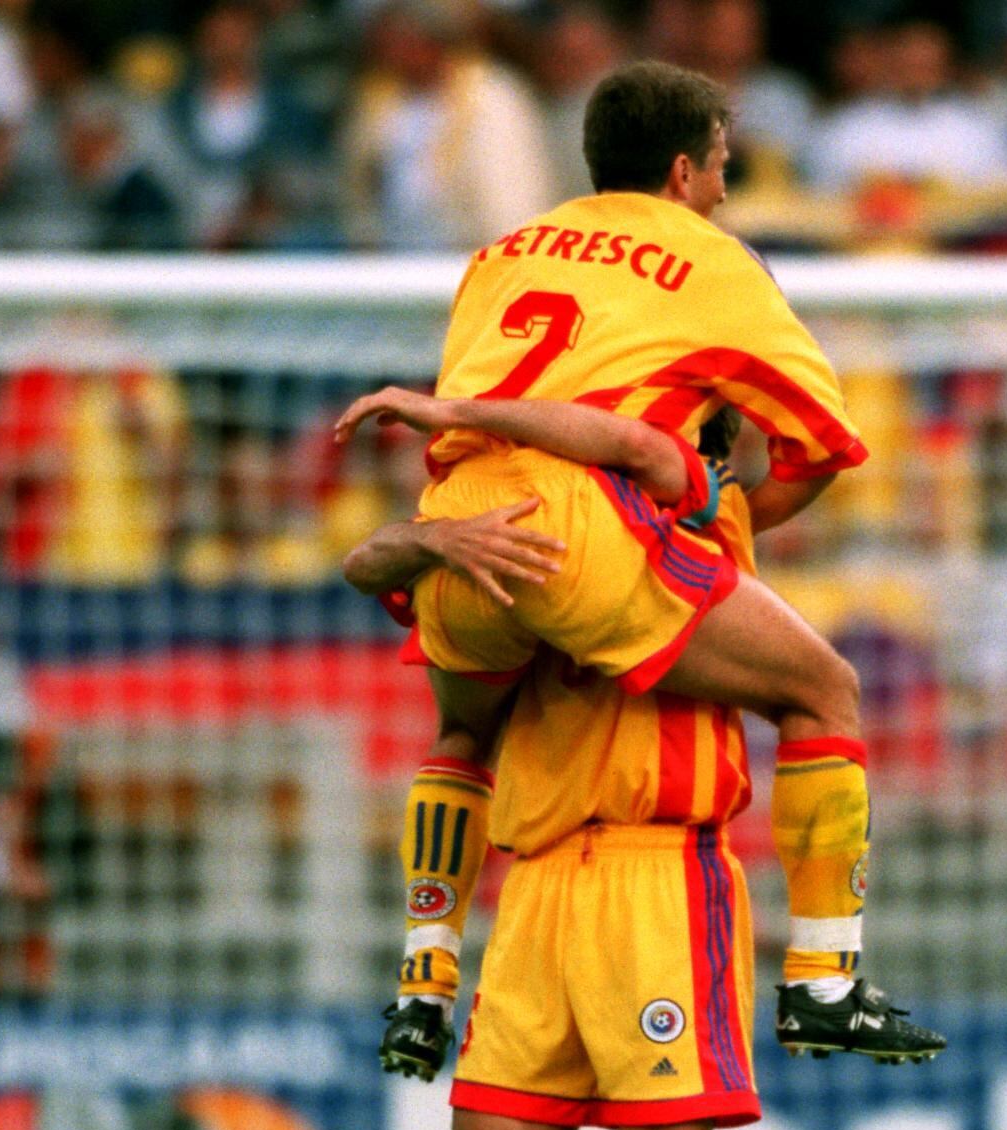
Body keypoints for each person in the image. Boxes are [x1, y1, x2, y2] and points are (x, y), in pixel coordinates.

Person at [380, 59, 941, 1074]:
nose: (725, 189)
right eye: (724, 167)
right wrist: (725, 542)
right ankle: (825, 979)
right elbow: (824, 444)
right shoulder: (715, 259)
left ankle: (422, 985)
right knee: (825, 689)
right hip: (582, 533)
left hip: (457, 532)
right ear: (686, 171)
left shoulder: (500, 255)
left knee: (461, 731)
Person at [340, 401, 788, 1130]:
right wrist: (447, 542)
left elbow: (709, 475)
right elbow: (431, 693)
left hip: (660, 872)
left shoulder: (709, 534)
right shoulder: (528, 549)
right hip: (536, 891)